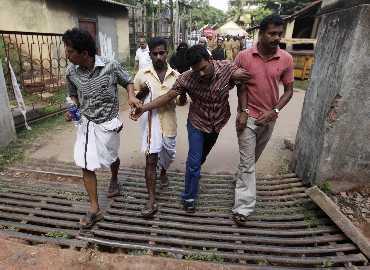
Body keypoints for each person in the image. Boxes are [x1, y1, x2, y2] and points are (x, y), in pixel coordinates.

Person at [131, 45, 250, 213]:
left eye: (203, 68)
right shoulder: (186, 78)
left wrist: (244, 110)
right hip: (197, 122)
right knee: (193, 162)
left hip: (218, 122)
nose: (200, 73)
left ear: (210, 60)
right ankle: (189, 197)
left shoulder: (227, 68)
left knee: (201, 158)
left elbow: (244, 83)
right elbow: (167, 97)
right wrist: (144, 108)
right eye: (196, 71)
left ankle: (193, 172)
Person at [62, 28, 141, 229]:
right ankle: (94, 208)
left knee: (111, 157)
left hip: (109, 123)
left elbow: (128, 80)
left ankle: (114, 178)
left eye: (70, 51)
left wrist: (131, 96)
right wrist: (72, 108)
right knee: (85, 163)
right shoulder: (71, 72)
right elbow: (73, 95)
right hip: (87, 124)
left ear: (85, 53)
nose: (67, 55)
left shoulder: (110, 66)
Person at [232, 15, 294, 225]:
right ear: (261, 33)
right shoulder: (243, 56)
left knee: (251, 159)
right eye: (272, 33)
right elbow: (240, 85)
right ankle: (243, 208)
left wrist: (275, 110)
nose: (277, 37)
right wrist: (242, 110)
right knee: (249, 164)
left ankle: (241, 179)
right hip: (247, 117)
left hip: (269, 119)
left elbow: (289, 90)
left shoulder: (286, 58)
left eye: (279, 33)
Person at [133, 37, 186, 218]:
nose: (158, 57)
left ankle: (164, 171)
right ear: (150, 54)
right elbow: (135, 97)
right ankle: (151, 199)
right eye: (154, 53)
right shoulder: (142, 74)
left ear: (167, 53)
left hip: (169, 123)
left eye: (161, 53)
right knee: (150, 160)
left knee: (168, 155)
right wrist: (140, 98)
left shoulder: (177, 76)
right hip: (149, 123)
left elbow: (181, 103)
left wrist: (184, 94)